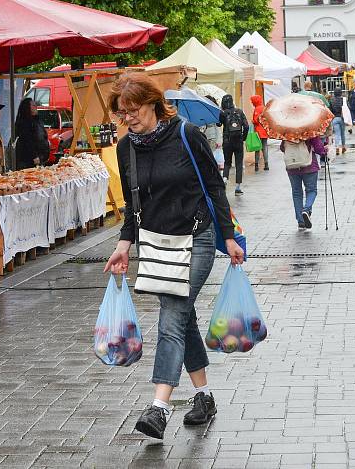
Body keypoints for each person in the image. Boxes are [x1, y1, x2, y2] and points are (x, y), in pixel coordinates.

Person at [104, 72, 244, 440]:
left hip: (198, 236)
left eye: (132, 110)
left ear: (152, 102)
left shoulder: (186, 135)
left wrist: (228, 237)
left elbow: (215, 185)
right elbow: (133, 201)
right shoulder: (126, 148)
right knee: (183, 316)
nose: (128, 118)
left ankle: (159, 406)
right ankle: (204, 396)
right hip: (158, 243)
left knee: (172, 312)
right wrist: (124, 243)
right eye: (121, 113)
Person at [281, 136, 327, 229]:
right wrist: (324, 151)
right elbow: (318, 148)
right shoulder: (309, 129)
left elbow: (282, 148)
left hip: (292, 166)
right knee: (311, 191)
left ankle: (301, 221)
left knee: (296, 193)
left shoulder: (287, 130)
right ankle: (306, 210)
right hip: (309, 166)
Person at [219, 94, 248, 195]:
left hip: (227, 141)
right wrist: (243, 138)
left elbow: (218, 124)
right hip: (238, 141)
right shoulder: (239, 112)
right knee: (239, 164)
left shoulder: (223, 113)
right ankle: (238, 188)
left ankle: (225, 179)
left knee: (227, 162)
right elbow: (247, 126)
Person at [14, 98, 50, 169]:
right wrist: (35, 156)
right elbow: (27, 140)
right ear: (27, 108)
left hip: (40, 158)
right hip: (29, 160)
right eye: (33, 105)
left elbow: (42, 136)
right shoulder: (24, 122)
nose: (36, 107)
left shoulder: (37, 120)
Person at [250, 95, 269, 171]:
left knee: (257, 148)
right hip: (265, 130)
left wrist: (253, 121)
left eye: (252, 101)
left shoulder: (257, 109)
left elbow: (256, 120)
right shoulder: (264, 108)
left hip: (258, 131)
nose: (252, 102)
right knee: (265, 147)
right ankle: (266, 164)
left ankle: (256, 165)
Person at [329, 88, 346, 154]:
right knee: (342, 134)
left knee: (337, 134)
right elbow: (347, 108)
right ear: (341, 93)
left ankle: (337, 147)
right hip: (342, 118)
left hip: (335, 118)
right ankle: (343, 147)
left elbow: (330, 110)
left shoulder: (331, 100)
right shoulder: (343, 100)